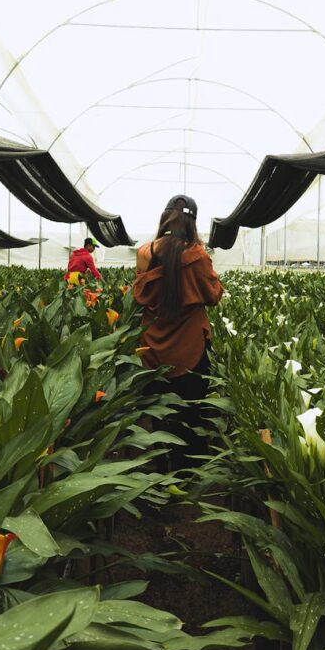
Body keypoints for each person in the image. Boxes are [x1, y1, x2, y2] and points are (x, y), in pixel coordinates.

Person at [133, 195, 223, 464]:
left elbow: (141, 295)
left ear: (165, 218)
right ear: (192, 223)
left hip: (153, 349)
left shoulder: (145, 253)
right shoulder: (197, 257)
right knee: (192, 411)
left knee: (161, 411)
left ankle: (161, 464)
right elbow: (213, 295)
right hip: (190, 349)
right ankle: (189, 468)